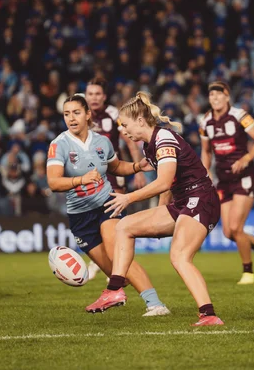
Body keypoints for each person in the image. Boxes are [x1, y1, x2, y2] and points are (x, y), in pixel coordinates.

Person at [104, 92, 224, 326]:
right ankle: (115, 289)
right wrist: (160, 213)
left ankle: (209, 315)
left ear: (140, 121)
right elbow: (167, 183)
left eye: (125, 125)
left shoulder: (164, 140)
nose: (124, 130)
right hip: (183, 202)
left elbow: (163, 182)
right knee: (124, 226)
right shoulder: (151, 145)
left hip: (200, 199)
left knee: (180, 256)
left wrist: (128, 198)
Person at [46, 94, 169, 316]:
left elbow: (116, 167)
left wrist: (137, 167)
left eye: (76, 113)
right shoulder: (59, 145)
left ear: (87, 114)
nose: (71, 118)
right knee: (116, 271)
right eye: (66, 114)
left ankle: (156, 305)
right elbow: (53, 182)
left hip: (106, 205)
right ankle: (118, 293)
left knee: (117, 253)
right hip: (80, 218)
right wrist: (80, 180)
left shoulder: (102, 141)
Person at [199, 81, 254, 285]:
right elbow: (206, 151)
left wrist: (246, 159)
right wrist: (205, 171)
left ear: (227, 97)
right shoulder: (205, 122)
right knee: (227, 232)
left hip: (245, 177)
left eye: (219, 94)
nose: (215, 98)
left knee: (235, 227)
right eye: (211, 95)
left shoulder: (240, 115)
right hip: (223, 180)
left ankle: (248, 272)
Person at [82, 77, 147, 280]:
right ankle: (102, 260)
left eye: (97, 94)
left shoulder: (113, 115)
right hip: (89, 175)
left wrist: (138, 170)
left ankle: (117, 265)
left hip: (113, 174)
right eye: (90, 93)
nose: (93, 98)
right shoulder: (81, 115)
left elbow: (129, 142)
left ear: (104, 96)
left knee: (115, 220)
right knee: (95, 220)